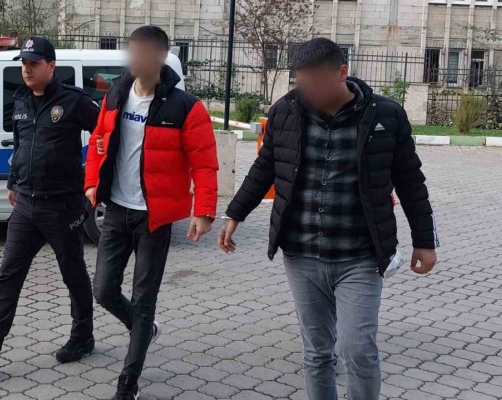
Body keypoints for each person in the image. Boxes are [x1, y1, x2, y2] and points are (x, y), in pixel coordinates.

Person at [218, 38, 439, 400]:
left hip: (361, 256)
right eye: (303, 84)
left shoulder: (385, 115)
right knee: (317, 353)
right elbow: (266, 165)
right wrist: (235, 213)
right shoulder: (286, 111)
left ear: (342, 73)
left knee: (358, 349)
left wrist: (425, 241)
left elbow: (410, 180)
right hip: (302, 253)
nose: (310, 93)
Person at [0, 37, 100, 375]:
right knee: (8, 276)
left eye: (34, 63)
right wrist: (13, 181)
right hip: (26, 206)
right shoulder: (20, 100)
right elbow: (20, 144)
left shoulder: (74, 101)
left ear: (51, 66)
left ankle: (82, 336)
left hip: (62, 206)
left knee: (73, 273)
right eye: (24, 64)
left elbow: (105, 135)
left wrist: (94, 179)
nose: (27, 69)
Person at [85, 26, 218, 400]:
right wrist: (92, 183)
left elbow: (205, 164)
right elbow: (97, 141)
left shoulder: (185, 107)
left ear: (160, 57)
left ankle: (128, 382)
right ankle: (144, 330)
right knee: (104, 290)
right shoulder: (115, 95)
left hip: (154, 218)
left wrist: (204, 211)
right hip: (116, 210)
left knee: (144, 300)